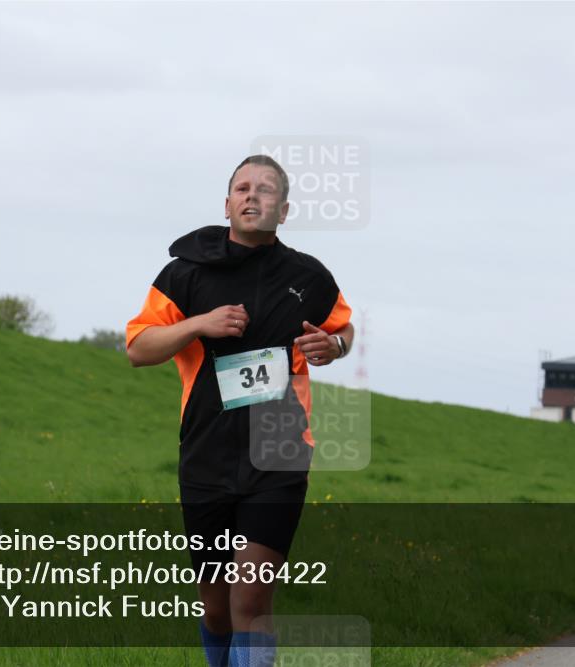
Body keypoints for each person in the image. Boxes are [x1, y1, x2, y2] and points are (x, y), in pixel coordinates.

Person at [125, 155, 354, 667]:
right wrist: (198, 324)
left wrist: (334, 348)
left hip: (279, 450)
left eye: (266, 190)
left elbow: (343, 329)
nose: (253, 196)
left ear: (285, 209)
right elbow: (139, 348)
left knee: (251, 596)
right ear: (227, 204)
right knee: (216, 608)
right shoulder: (185, 274)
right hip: (205, 453)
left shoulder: (309, 277)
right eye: (243, 188)